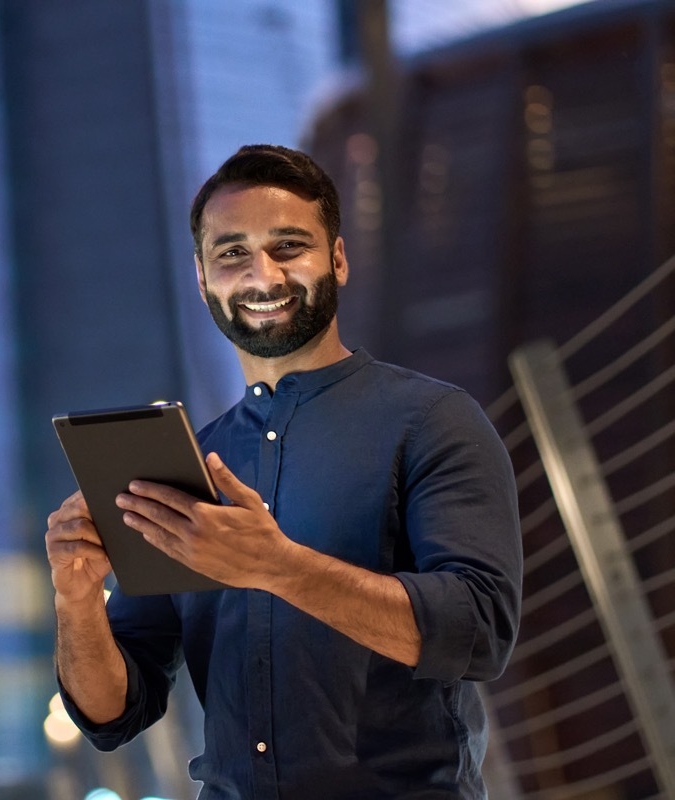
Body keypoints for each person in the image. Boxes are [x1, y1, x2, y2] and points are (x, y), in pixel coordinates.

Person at [44, 145, 523, 799]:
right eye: (232, 253)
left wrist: (278, 567)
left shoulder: (432, 420)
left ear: (338, 259)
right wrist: (76, 602)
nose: (261, 276)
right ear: (203, 277)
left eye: (288, 246)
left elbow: (477, 632)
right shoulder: (190, 465)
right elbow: (113, 713)